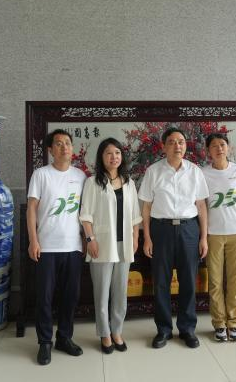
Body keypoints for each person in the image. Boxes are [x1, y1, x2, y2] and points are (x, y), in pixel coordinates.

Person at [139, 127, 209, 349]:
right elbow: (146, 207)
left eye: (181, 142)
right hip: (161, 230)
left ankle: (187, 329)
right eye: (172, 142)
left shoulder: (195, 171)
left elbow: (201, 206)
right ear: (163, 146)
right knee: (161, 282)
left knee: (189, 281)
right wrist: (147, 237)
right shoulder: (153, 171)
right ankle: (163, 330)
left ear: (185, 145)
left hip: (189, 229)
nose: (177, 145)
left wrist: (203, 238)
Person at [26, 129, 86, 365]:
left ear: (72, 148)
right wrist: (33, 240)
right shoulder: (41, 175)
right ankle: (44, 342)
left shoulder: (81, 176)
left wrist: (87, 240)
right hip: (47, 247)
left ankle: (64, 337)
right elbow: (32, 209)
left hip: (73, 247)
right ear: (50, 150)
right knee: (45, 297)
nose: (64, 147)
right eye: (59, 144)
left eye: (67, 143)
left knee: (71, 296)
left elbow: (86, 212)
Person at [79, 138, 142, 354]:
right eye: (109, 153)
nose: (114, 157)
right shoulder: (92, 182)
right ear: (101, 157)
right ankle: (104, 333)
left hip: (124, 244)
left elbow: (135, 215)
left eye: (117, 152)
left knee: (120, 291)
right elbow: (85, 215)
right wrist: (90, 240)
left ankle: (117, 330)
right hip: (102, 243)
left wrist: (135, 238)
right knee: (102, 291)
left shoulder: (129, 182)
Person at [202, 133, 236, 342]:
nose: (219, 149)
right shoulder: (203, 173)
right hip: (213, 235)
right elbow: (201, 206)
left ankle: (233, 323)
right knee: (215, 282)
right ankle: (219, 324)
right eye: (214, 146)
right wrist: (203, 236)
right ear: (208, 151)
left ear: (229, 148)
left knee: (234, 280)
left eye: (222, 145)